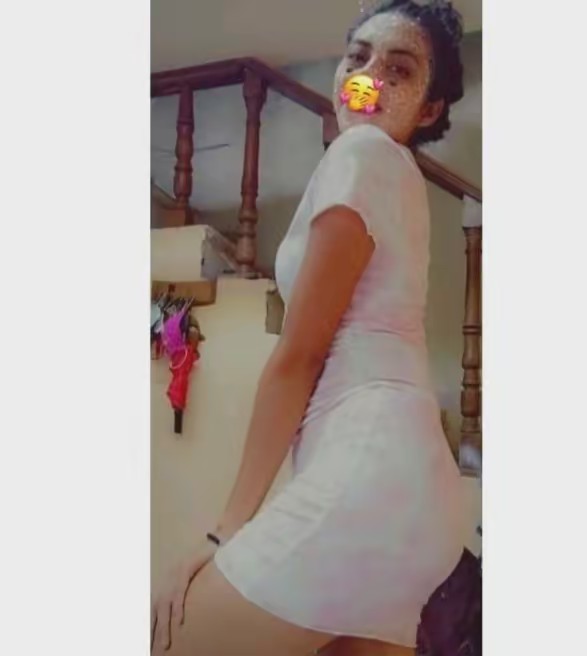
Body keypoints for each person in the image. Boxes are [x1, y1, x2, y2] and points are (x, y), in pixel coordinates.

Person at [151, 1, 468, 654]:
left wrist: (223, 532)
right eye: (357, 58)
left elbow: (300, 356)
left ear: (430, 108)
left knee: (168, 639)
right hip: (418, 494)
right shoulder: (397, 176)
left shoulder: (362, 151)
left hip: (372, 468)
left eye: (398, 69)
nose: (368, 78)